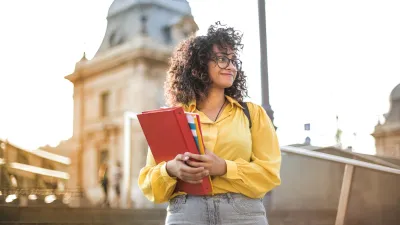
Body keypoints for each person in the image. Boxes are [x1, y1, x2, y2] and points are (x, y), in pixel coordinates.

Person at [138, 22, 281, 225]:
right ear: (199, 65)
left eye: (233, 60)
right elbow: (149, 184)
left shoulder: (252, 114)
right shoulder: (173, 119)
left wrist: (223, 167)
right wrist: (170, 169)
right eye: (222, 59)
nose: (231, 66)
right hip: (186, 213)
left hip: (243, 214)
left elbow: (269, 174)